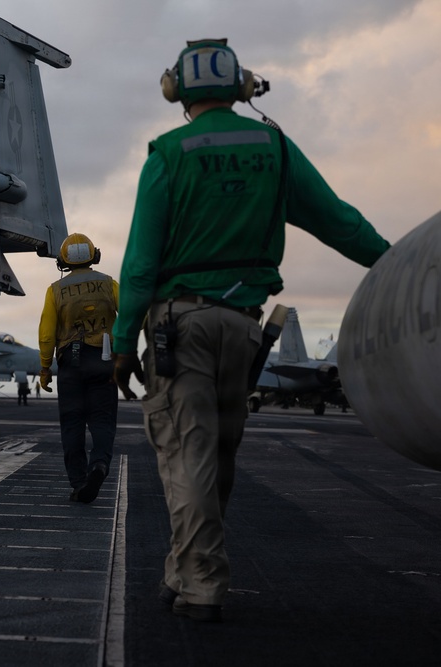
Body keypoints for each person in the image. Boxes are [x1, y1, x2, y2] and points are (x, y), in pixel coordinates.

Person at [112, 39, 391, 622]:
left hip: (178, 327)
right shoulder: (275, 148)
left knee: (186, 455)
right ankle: (183, 568)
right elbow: (339, 222)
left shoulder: (168, 154)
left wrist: (120, 342)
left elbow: (139, 265)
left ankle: (202, 585)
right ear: (243, 87)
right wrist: (401, 264)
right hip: (244, 328)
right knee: (217, 456)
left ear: (175, 90)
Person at [38, 233, 120, 504]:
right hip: (104, 361)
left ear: (62, 262)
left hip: (71, 364)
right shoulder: (109, 284)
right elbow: (134, 315)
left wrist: (45, 368)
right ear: (94, 256)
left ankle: (78, 483)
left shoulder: (55, 290)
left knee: (72, 423)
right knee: (102, 420)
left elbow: (47, 334)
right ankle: (99, 464)